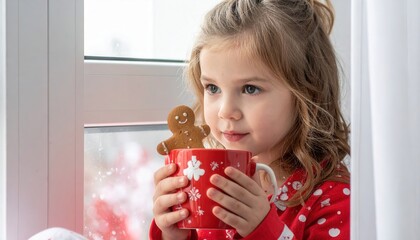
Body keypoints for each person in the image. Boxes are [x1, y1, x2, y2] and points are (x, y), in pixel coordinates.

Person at [150, 0, 350, 239]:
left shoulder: (333, 199)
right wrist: (174, 235)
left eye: (250, 89)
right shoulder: (207, 184)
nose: (226, 111)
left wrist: (263, 230)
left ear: (306, 93)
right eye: (212, 88)